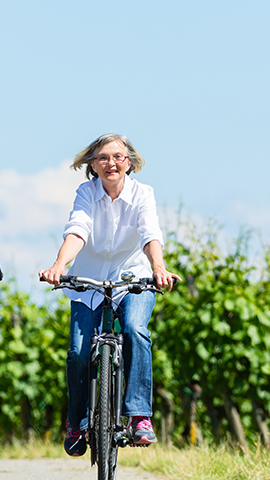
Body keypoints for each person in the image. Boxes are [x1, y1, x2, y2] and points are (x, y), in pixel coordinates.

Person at [39, 133, 180, 457]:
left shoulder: (143, 194)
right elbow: (79, 229)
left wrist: (158, 267)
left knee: (135, 330)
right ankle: (78, 423)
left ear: (128, 162)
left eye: (117, 156)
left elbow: (149, 232)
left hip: (134, 279)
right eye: (103, 157)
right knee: (77, 352)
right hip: (88, 282)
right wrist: (59, 265)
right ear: (93, 164)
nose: (111, 163)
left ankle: (138, 415)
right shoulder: (86, 193)